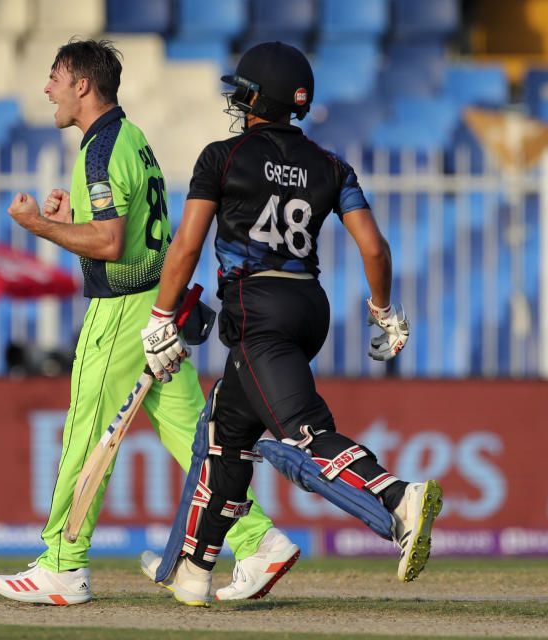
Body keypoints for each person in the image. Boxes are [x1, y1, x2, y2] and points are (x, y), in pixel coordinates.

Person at [0, 39, 299, 606]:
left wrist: (38, 225)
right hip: (159, 308)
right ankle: (260, 539)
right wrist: (70, 220)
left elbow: (109, 245)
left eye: (55, 76)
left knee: (86, 436)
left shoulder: (101, 148)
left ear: (82, 85)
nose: (47, 89)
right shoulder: (131, 138)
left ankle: (63, 563)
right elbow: (124, 233)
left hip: (124, 313)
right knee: (192, 437)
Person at [138, 41, 444, 606]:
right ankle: (195, 570)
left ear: (255, 98)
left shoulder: (221, 157)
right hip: (309, 307)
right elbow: (374, 248)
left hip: (258, 313)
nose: (236, 100)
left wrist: (161, 317)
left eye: (242, 92)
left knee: (301, 432)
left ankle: (399, 495)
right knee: (227, 438)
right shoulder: (331, 165)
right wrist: (382, 312)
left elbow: (186, 245)